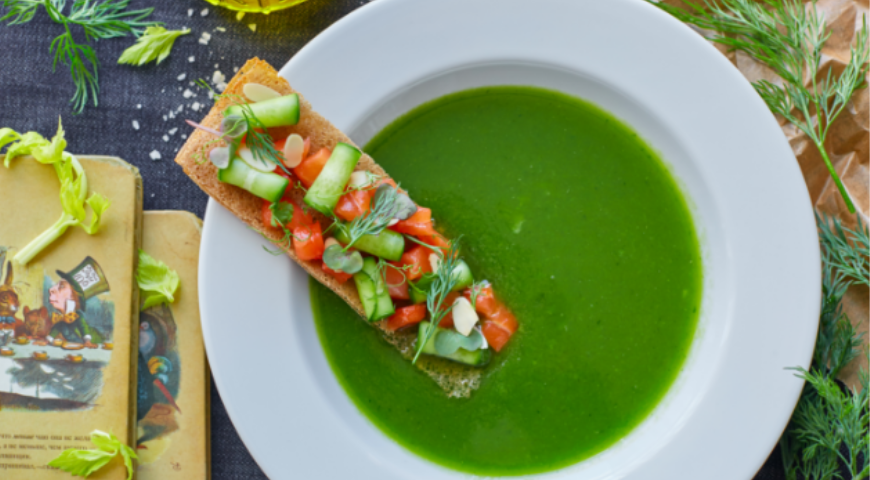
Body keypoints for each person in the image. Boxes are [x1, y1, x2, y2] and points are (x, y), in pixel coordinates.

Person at [45, 257, 109, 348]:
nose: (51, 289)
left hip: (94, 344)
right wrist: (47, 340)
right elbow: (57, 327)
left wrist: (87, 341)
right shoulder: (62, 317)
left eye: (62, 286)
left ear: (74, 298)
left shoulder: (77, 316)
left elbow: (83, 327)